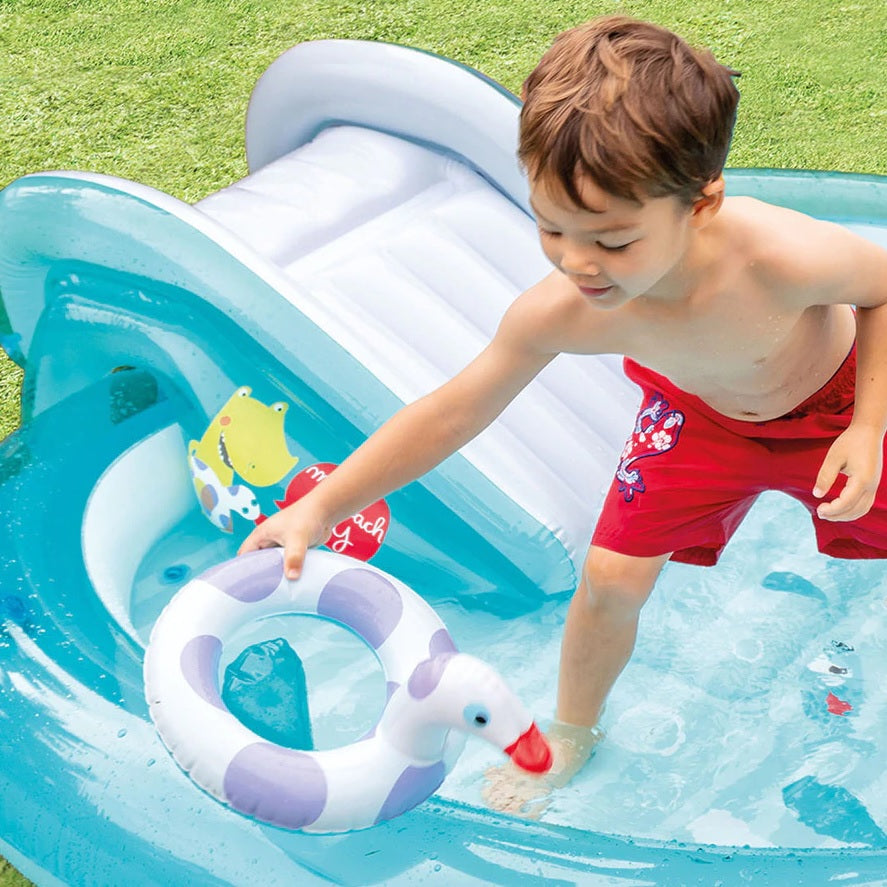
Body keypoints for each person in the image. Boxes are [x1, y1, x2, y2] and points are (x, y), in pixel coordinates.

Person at [239, 15, 887, 815]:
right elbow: (451, 411)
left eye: (612, 241)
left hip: (830, 407)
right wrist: (321, 504)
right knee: (609, 577)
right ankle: (571, 729)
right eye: (551, 228)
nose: (577, 262)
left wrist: (865, 423)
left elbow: (879, 288)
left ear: (701, 203)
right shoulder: (564, 311)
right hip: (698, 419)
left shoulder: (780, 258)